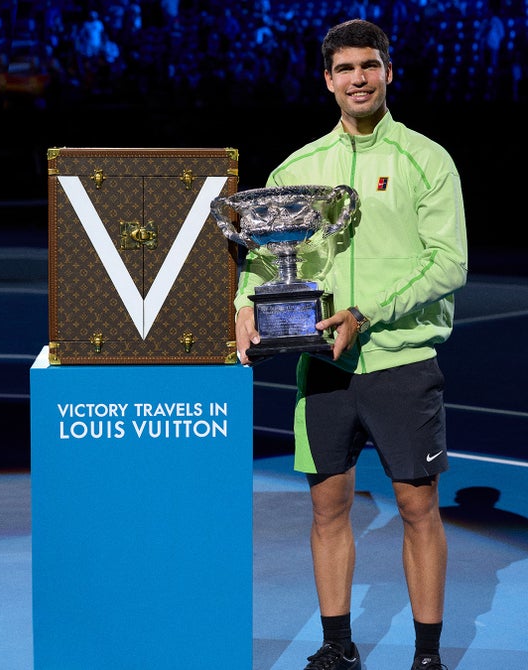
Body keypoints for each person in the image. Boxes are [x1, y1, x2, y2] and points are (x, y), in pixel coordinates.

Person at [234, 19, 467, 670]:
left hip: (401, 361)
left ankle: (427, 655)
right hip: (322, 366)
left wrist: (369, 312)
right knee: (328, 507)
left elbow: (450, 262)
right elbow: (263, 260)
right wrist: (243, 304)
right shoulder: (297, 169)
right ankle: (337, 646)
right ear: (327, 80)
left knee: (418, 506)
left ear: (389, 72)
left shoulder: (426, 159)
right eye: (345, 69)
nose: (358, 79)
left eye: (368, 66)